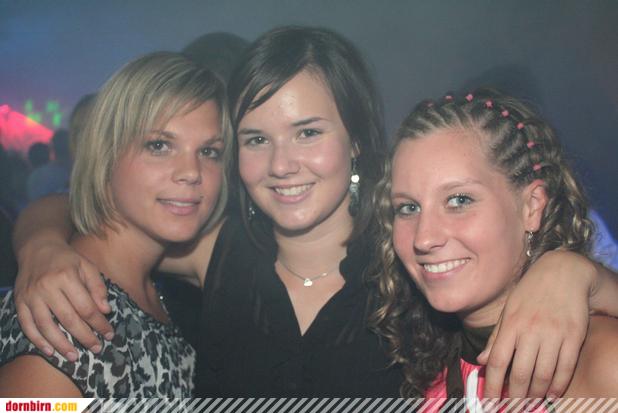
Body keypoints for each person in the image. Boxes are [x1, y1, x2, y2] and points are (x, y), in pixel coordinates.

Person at [11, 27, 618, 398]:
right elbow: (96, 211)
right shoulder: (215, 253)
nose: (282, 164)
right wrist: (41, 246)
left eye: (307, 132)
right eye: (256, 139)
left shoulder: (417, 258)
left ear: (354, 139)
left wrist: (573, 271)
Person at [0, 51, 230, 397]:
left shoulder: (150, 283)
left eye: (209, 151)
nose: (191, 172)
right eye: (159, 145)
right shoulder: (66, 321)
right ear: (106, 155)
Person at [371, 89, 618, 402]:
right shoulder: (431, 364)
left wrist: (587, 275)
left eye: (459, 200)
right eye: (408, 207)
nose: (424, 238)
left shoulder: (600, 363)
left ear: (531, 207)